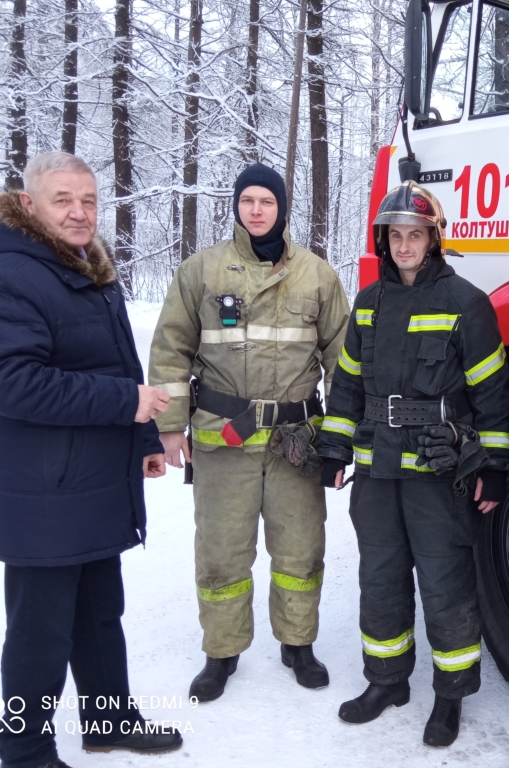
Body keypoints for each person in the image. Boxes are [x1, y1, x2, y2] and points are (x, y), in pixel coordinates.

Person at [0, 151, 182, 768]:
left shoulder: (83, 269)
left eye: (88, 200)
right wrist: (126, 403)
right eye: (63, 200)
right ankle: (25, 749)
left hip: (90, 481)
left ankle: (108, 723)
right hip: (43, 491)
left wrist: (140, 439)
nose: (80, 212)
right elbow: (12, 384)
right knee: (40, 631)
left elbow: (114, 364)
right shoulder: (10, 278)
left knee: (98, 614)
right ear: (28, 206)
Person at [316, 181, 509, 747]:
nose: (405, 246)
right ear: (384, 241)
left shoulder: (466, 303)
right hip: (376, 470)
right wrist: (334, 447)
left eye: (416, 235)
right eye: (396, 236)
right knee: (379, 577)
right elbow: (348, 385)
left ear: (434, 239)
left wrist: (494, 465)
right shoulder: (368, 302)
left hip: (438, 472)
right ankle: (386, 681)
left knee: (445, 582)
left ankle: (449, 698)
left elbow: (493, 397)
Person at [148, 163, 350, 702]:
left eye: (267, 201)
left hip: (295, 445)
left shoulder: (317, 275)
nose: (256, 210)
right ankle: (222, 651)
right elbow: (171, 350)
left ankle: (297, 644)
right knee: (221, 555)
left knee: (301, 552)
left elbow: (344, 363)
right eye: (247, 201)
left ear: (282, 208)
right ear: (236, 206)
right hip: (223, 442)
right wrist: (169, 428)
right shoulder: (202, 272)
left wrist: (341, 438)